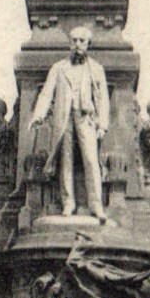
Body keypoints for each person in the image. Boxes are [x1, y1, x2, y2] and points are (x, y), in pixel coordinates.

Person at [30, 25, 110, 220]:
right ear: (69, 44)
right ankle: (68, 202)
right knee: (65, 160)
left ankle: (96, 204)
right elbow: (46, 93)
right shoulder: (58, 68)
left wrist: (102, 125)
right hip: (64, 118)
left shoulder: (96, 68)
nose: (78, 44)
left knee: (91, 160)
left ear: (88, 44)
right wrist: (38, 115)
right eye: (74, 41)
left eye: (82, 41)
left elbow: (103, 99)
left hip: (86, 117)